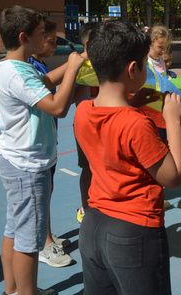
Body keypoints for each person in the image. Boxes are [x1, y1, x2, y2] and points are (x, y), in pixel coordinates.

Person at [74, 21, 181, 295]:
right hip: (132, 233)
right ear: (132, 69)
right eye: (145, 64)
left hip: (92, 227)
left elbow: (110, 129)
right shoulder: (136, 124)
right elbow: (173, 178)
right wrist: (172, 120)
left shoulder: (83, 111)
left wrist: (134, 102)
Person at [0, 5, 84, 295]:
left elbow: (44, 83)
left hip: (16, 160)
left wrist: (77, 66)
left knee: (14, 229)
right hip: (28, 166)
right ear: (24, 38)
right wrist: (72, 68)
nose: (46, 37)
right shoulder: (19, 74)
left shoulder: (13, 68)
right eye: (41, 33)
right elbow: (58, 107)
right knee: (29, 241)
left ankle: (13, 291)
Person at [27, 19, 73, 267]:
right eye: (51, 41)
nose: (55, 45)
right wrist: (72, 68)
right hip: (35, 146)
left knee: (48, 190)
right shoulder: (29, 68)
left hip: (48, 140)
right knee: (41, 194)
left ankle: (47, 235)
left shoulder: (42, 65)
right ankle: (44, 244)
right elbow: (54, 104)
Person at [74, 21, 98, 225]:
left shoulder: (104, 61)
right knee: (88, 168)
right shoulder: (79, 65)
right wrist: (85, 81)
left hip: (106, 121)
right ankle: (85, 207)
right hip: (86, 124)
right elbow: (72, 98)